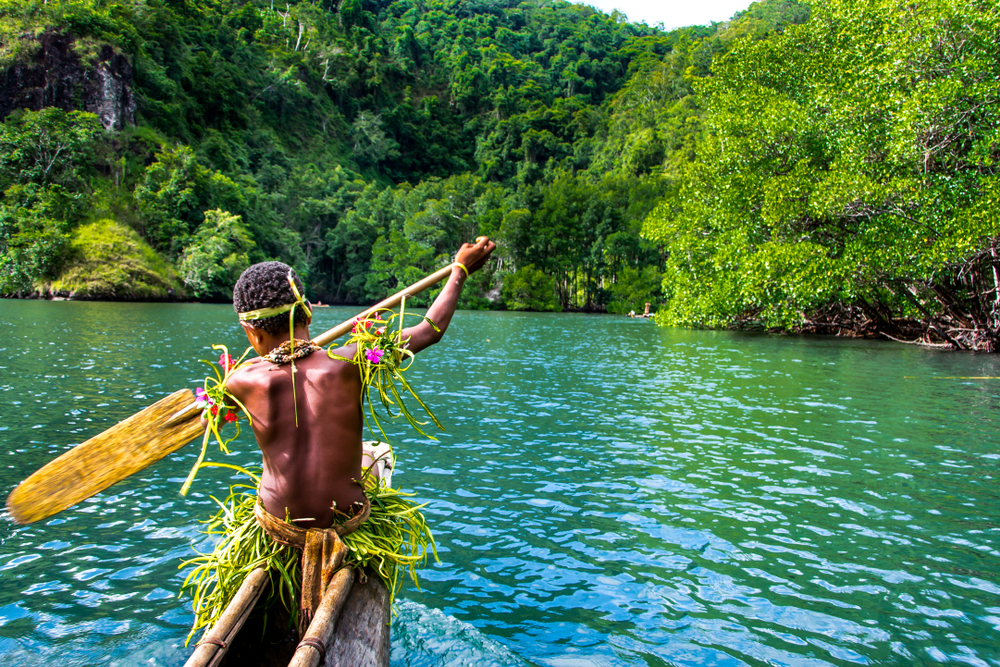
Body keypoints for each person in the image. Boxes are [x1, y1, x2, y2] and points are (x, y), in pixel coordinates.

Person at [184, 237, 496, 643]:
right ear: (309, 311)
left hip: (279, 528)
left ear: (249, 331)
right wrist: (459, 271)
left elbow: (230, 401)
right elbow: (430, 330)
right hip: (346, 525)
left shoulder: (238, 382)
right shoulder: (351, 361)